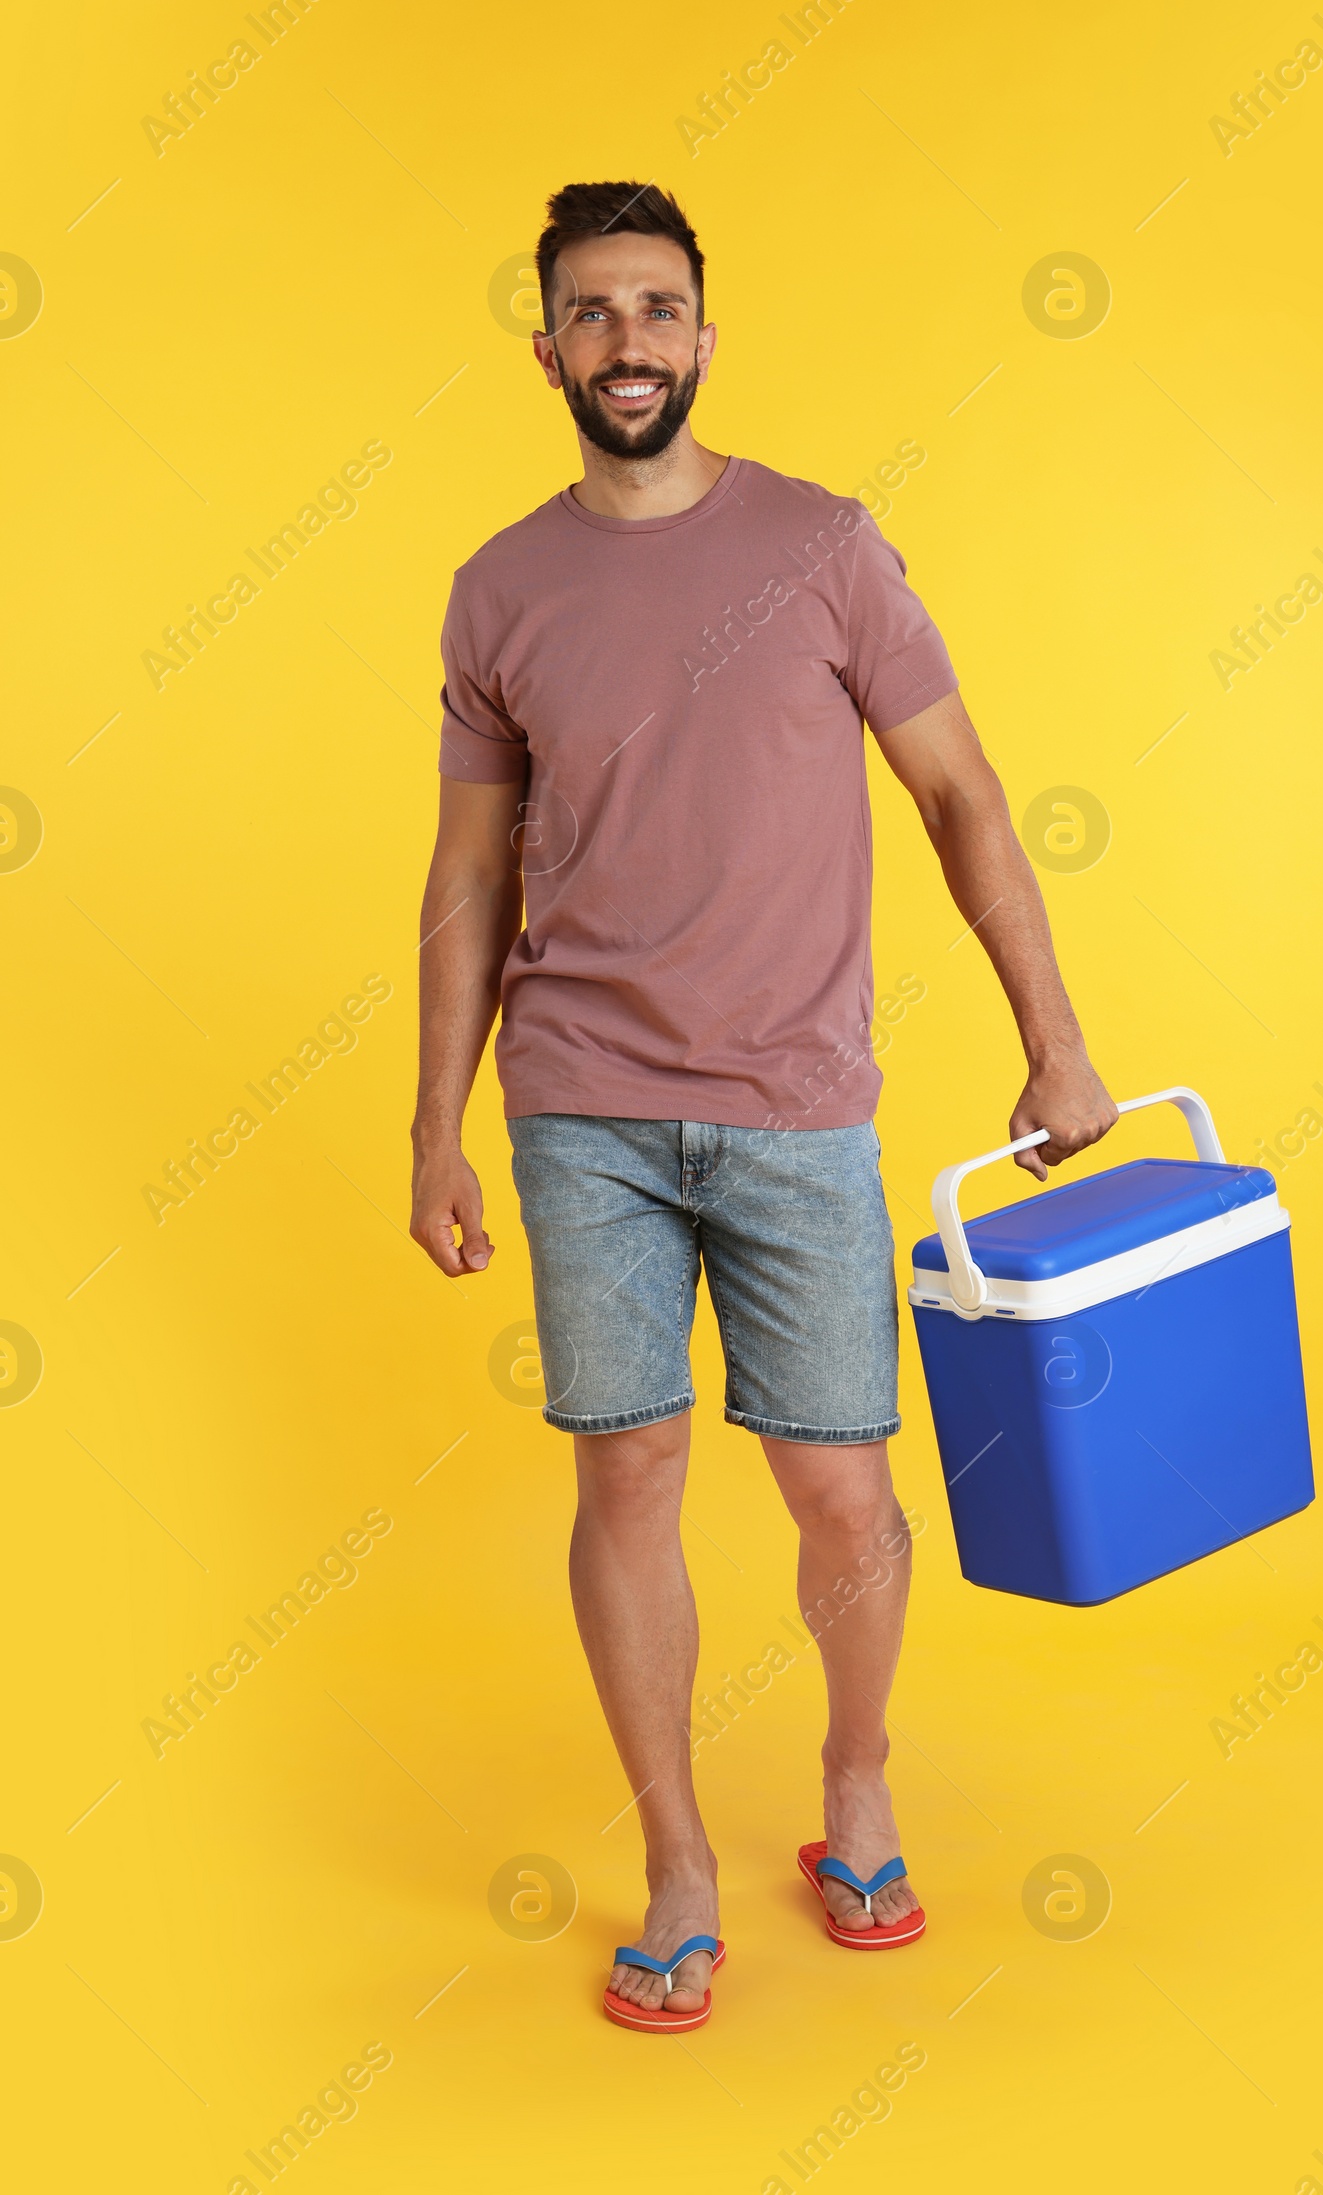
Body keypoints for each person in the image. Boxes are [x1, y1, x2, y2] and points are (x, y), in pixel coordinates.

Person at [408, 180, 1117, 2031]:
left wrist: (1054, 1034)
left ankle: (857, 1778)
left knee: (836, 1484)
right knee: (628, 1469)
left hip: (801, 1104)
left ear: (705, 338)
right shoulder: (502, 584)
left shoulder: (823, 545)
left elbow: (964, 794)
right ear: (545, 344)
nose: (625, 339)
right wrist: (434, 1124)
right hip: (584, 1111)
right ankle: (679, 1862)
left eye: (657, 308)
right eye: (589, 311)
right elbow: (470, 879)